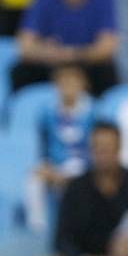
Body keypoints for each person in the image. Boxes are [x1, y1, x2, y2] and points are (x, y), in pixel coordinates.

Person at [32, 122, 128, 256]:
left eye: (107, 148)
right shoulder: (75, 187)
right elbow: (61, 239)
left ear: (118, 148)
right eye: (97, 148)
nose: (101, 153)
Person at [25, 64, 96, 236]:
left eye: (72, 82)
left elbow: (95, 149)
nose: (68, 87)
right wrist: (46, 166)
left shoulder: (93, 112)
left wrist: (73, 172)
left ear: (82, 84)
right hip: (55, 165)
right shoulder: (47, 113)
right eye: (63, 82)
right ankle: (38, 230)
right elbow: (43, 146)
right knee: (33, 180)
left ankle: (68, 231)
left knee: (68, 186)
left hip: (82, 166)